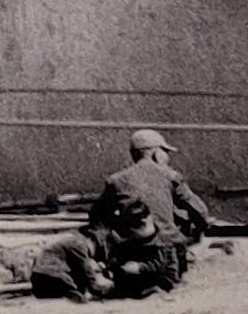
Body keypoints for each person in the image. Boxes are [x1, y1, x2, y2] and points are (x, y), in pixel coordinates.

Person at [30, 128, 214, 302]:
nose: (167, 156)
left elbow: (98, 218)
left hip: (132, 252)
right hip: (167, 253)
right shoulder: (170, 176)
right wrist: (197, 231)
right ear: (155, 153)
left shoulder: (116, 181)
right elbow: (200, 212)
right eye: (164, 151)